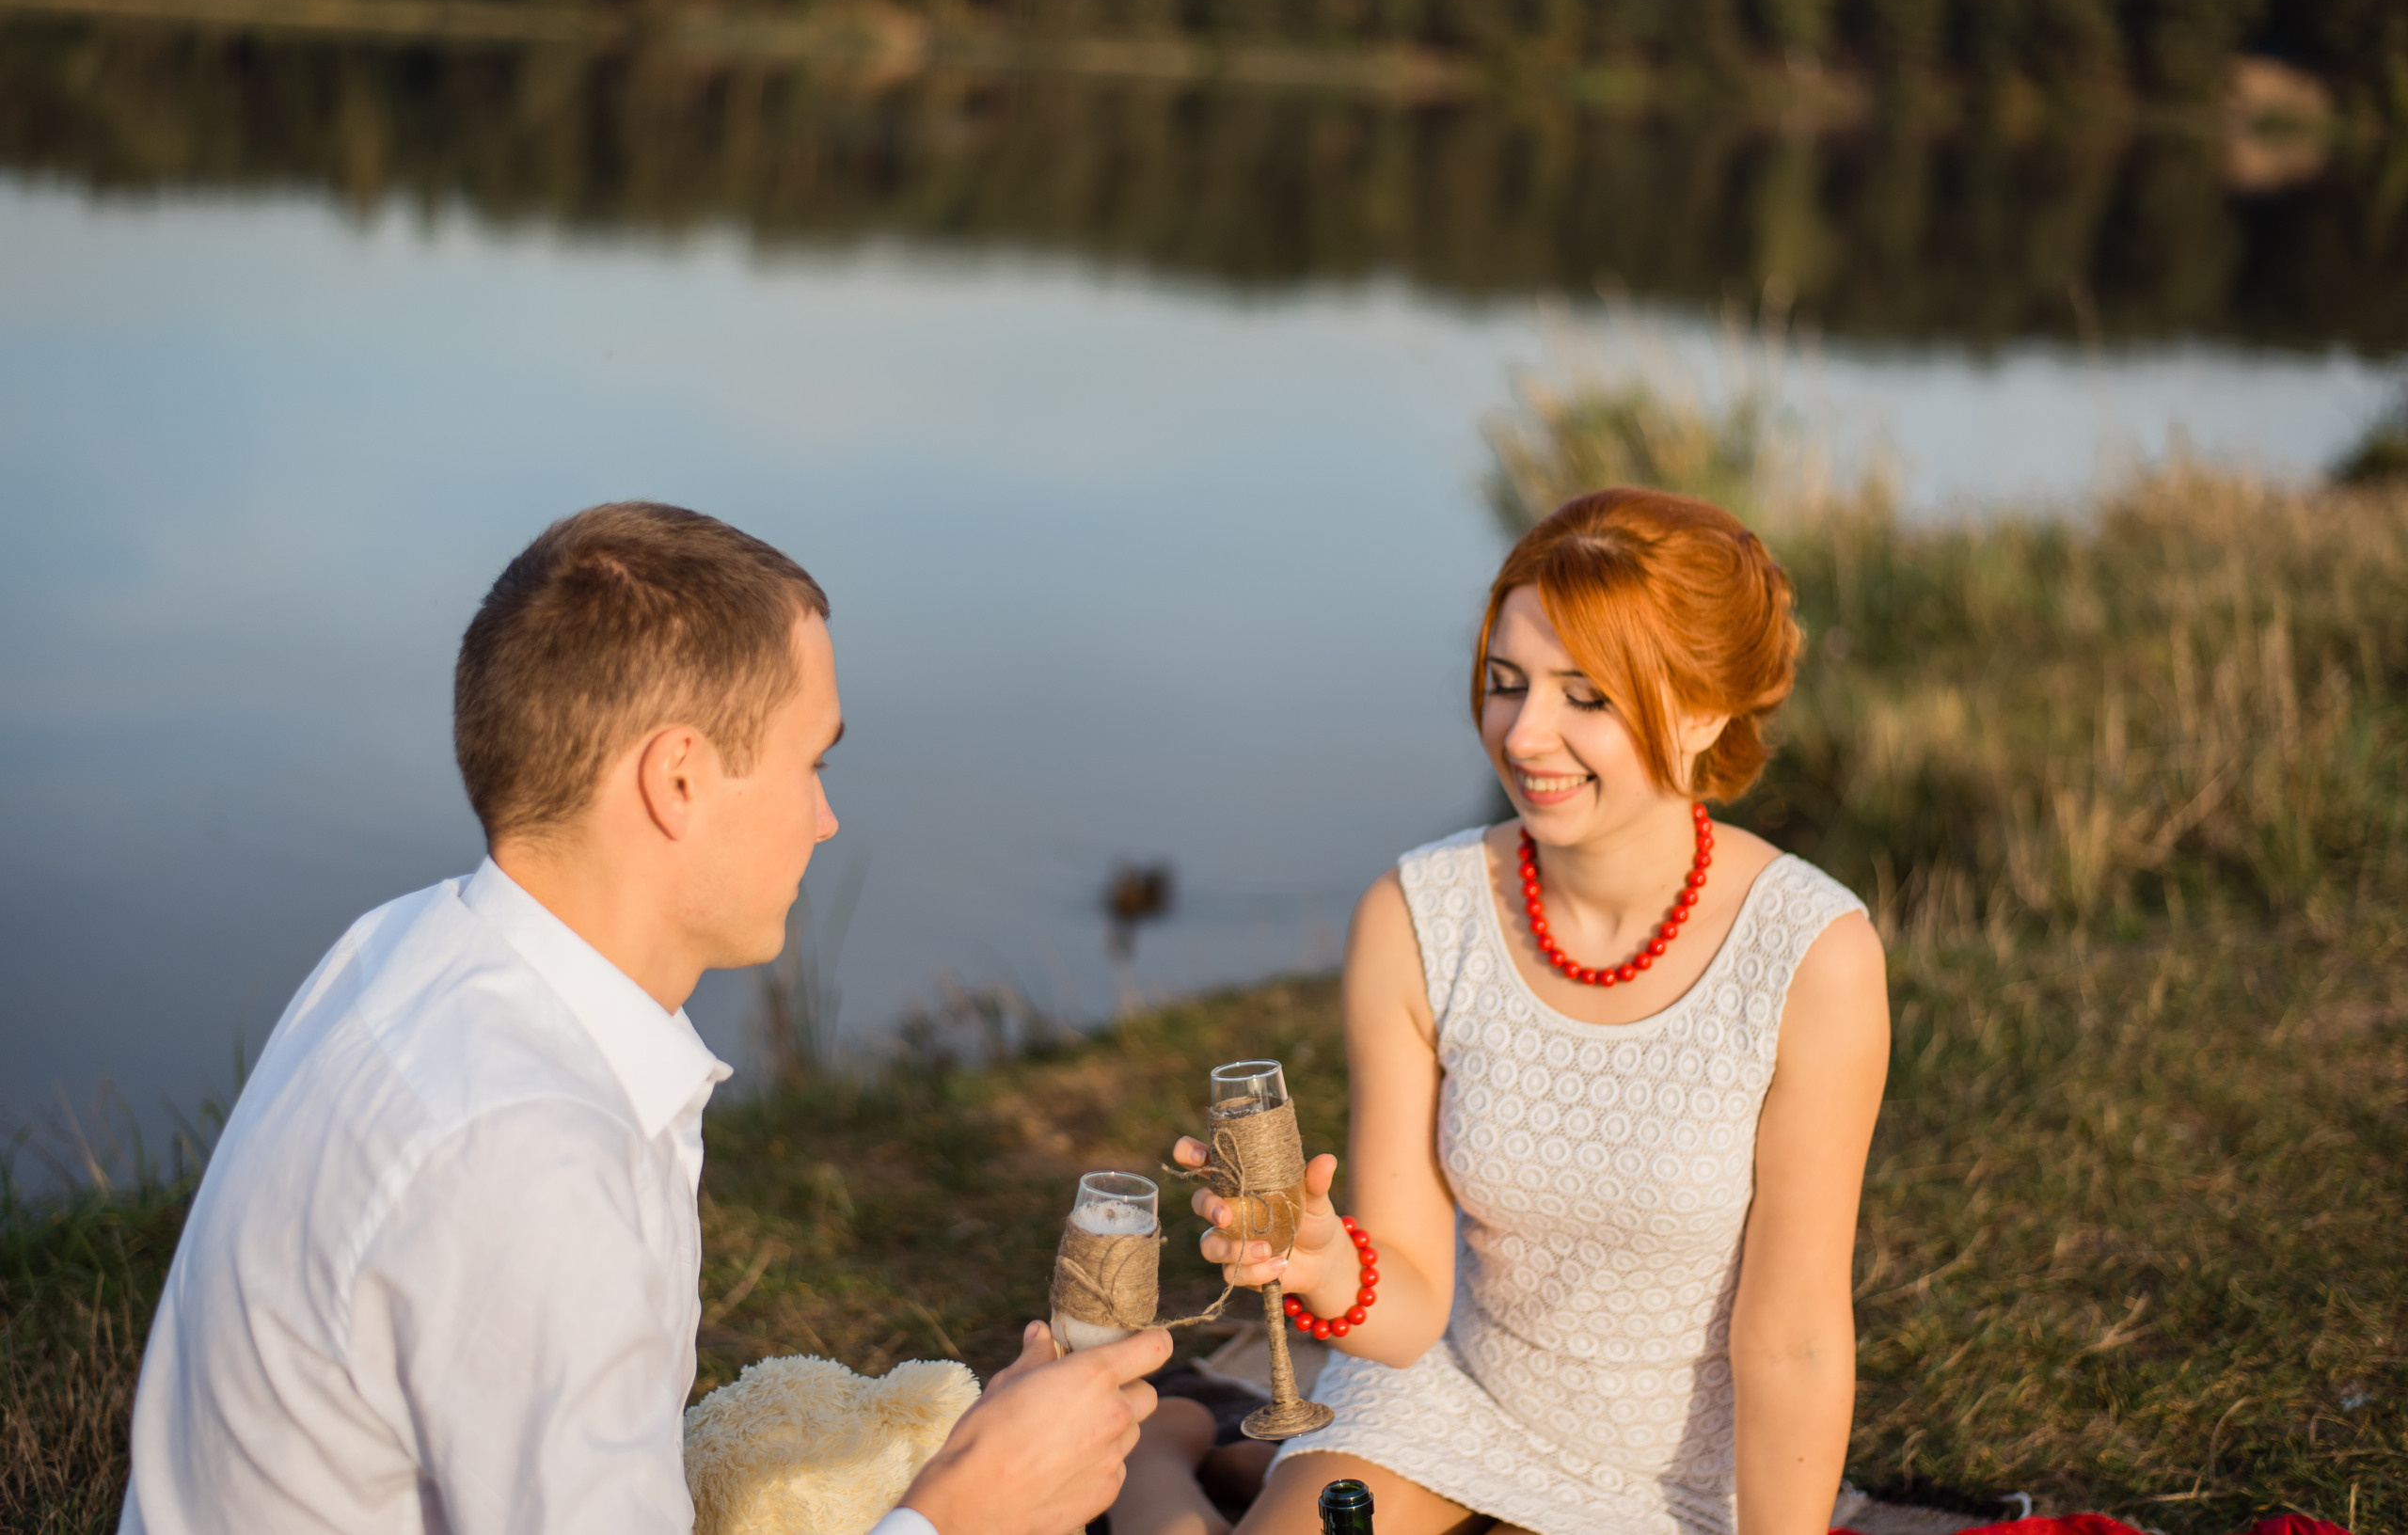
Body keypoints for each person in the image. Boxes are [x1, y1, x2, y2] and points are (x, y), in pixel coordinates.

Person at [121, 502, 1169, 1535]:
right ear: (677, 779)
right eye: (813, 762)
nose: (826, 817)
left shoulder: (399, 946)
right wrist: (962, 1513)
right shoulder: (533, 1156)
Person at [1121, 487, 1889, 1535]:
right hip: (1451, 1397)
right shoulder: (1415, 916)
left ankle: (1213, 1456)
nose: (1526, 732)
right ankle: (1152, 1461)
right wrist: (1326, 1259)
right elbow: (1410, 1303)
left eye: (1587, 695)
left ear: (1702, 709)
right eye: (1505, 682)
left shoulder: (1811, 953)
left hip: (1682, 1467)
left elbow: (1794, 1333)